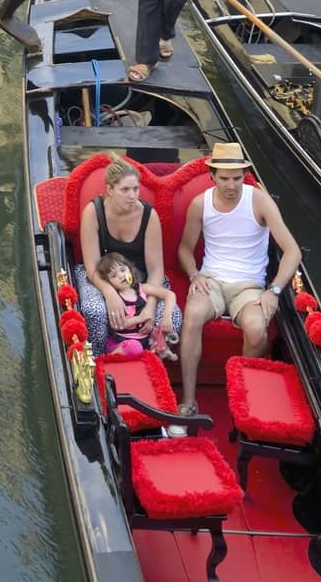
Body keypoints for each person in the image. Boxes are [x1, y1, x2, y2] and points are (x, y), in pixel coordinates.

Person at [173, 141, 301, 430]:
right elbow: (184, 248)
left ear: (245, 175)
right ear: (212, 176)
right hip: (213, 282)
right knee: (192, 316)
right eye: (225, 178)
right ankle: (188, 403)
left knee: (257, 330)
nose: (231, 185)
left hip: (249, 287)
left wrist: (275, 290)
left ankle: (243, 402)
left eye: (237, 178)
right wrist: (195, 274)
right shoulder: (200, 204)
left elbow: (292, 251)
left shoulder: (260, 201)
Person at [74, 156, 183, 357]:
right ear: (109, 190)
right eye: (125, 190)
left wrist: (149, 307)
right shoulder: (93, 211)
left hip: (140, 280)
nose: (132, 196)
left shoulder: (148, 216)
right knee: (94, 310)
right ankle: (98, 362)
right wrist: (109, 292)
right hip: (100, 276)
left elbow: (156, 269)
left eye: (135, 189)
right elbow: (91, 265)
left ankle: (149, 364)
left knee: (172, 318)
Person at [97, 252, 178, 360]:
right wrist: (140, 318)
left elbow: (170, 295)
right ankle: (108, 360)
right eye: (114, 276)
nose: (121, 276)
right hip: (121, 342)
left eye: (122, 270)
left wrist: (166, 317)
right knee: (134, 347)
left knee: (158, 343)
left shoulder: (143, 289)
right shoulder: (115, 299)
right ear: (109, 282)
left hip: (144, 341)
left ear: (130, 269)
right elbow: (117, 325)